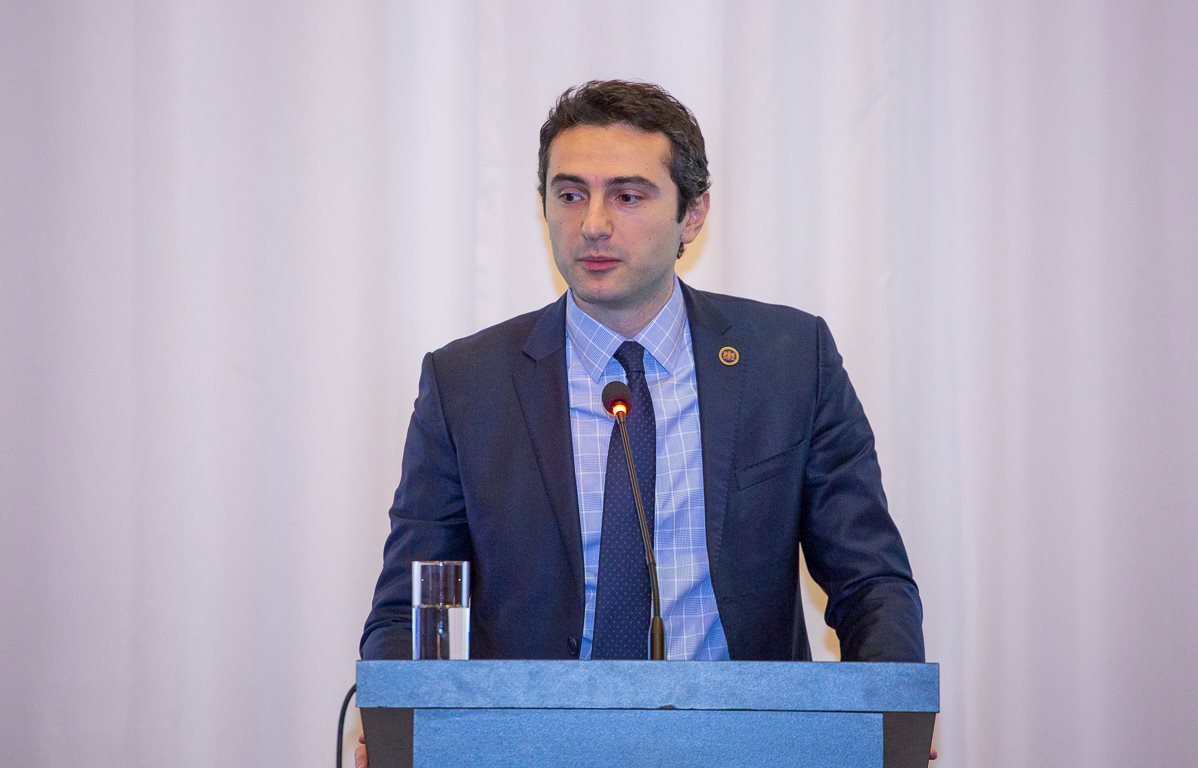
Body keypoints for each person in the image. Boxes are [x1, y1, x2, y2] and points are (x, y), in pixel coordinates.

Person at [361, 80, 924, 665]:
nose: (593, 224)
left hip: (738, 718)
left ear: (692, 214)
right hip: (535, 720)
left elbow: (870, 584)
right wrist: (402, 703)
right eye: (570, 195)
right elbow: (409, 613)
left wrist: (890, 702)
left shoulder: (789, 362)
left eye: (627, 196)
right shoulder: (467, 385)